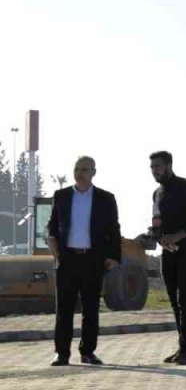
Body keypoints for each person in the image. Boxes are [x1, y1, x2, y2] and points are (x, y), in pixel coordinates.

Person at [46, 156, 121, 366]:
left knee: (90, 308)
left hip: (92, 260)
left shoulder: (105, 199)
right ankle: (61, 353)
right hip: (67, 259)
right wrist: (51, 241)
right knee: (64, 309)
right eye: (77, 169)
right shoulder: (61, 196)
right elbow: (52, 225)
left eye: (85, 170)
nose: (80, 173)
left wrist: (114, 256)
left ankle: (88, 352)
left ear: (94, 173)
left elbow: (114, 229)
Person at [150, 151, 186, 365]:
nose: (154, 170)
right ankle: (184, 347)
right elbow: (157, 223)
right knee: (174, 301)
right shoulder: (157, 194)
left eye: (157, 166)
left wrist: (178, 235)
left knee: (185, 298)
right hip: (169, 252)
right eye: (152, 167)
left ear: (168, 165)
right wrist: (158, 238)